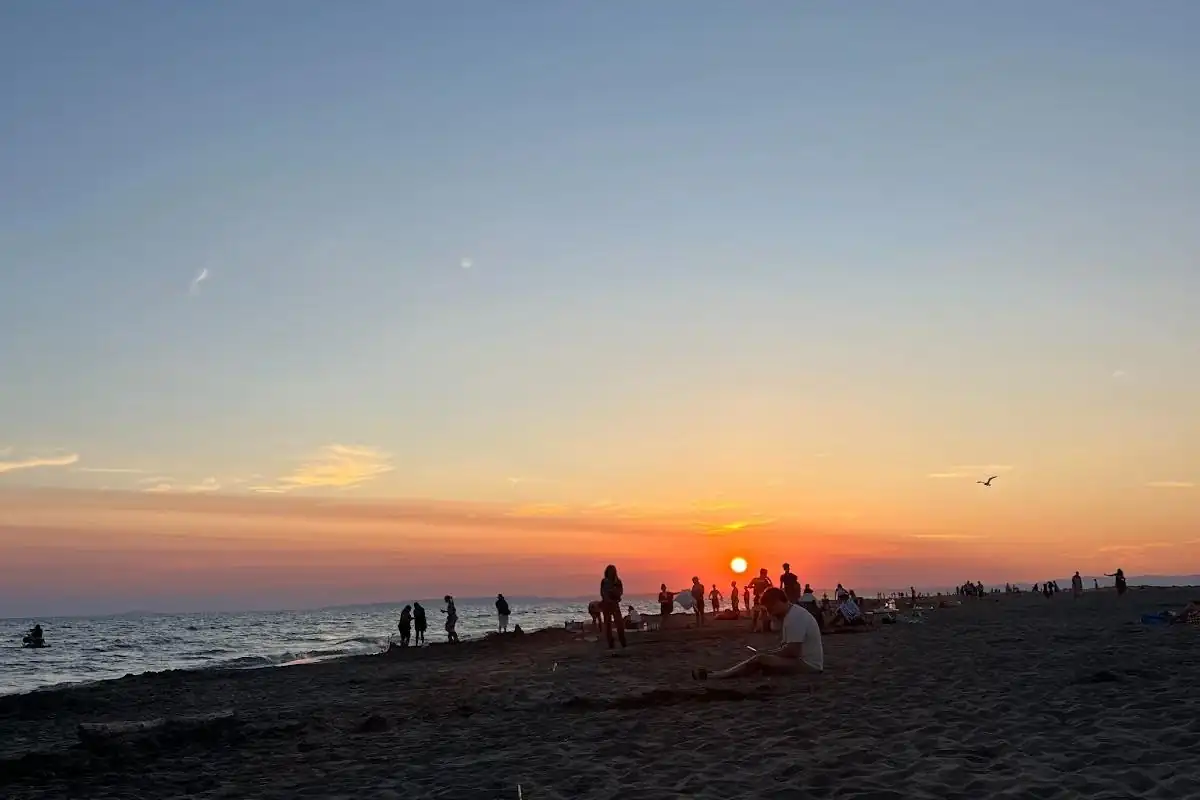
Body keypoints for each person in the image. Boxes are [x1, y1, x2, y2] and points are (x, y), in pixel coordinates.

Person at [691, 588, 823, 680]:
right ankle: (720, 674)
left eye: (771, 608)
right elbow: (789, 648)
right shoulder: (791, 615)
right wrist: (771, 652)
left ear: (778, 602)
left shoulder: (795, 617)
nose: (770, 613)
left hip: (808, 665)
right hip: (802, 661)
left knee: (760, 660)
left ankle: (717, 675)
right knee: (761, 662)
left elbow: (793, 651)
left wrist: (768, 654)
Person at [600, 564, 627, 649]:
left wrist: (615, 595)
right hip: (607, 604)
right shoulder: (604, 581)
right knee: (608, 625)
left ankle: (622, 641)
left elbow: (620, 592)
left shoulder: (617, 581)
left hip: (614, 604)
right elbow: (603, 593)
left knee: (619, 623)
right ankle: (611, 643)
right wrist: (609, 598)